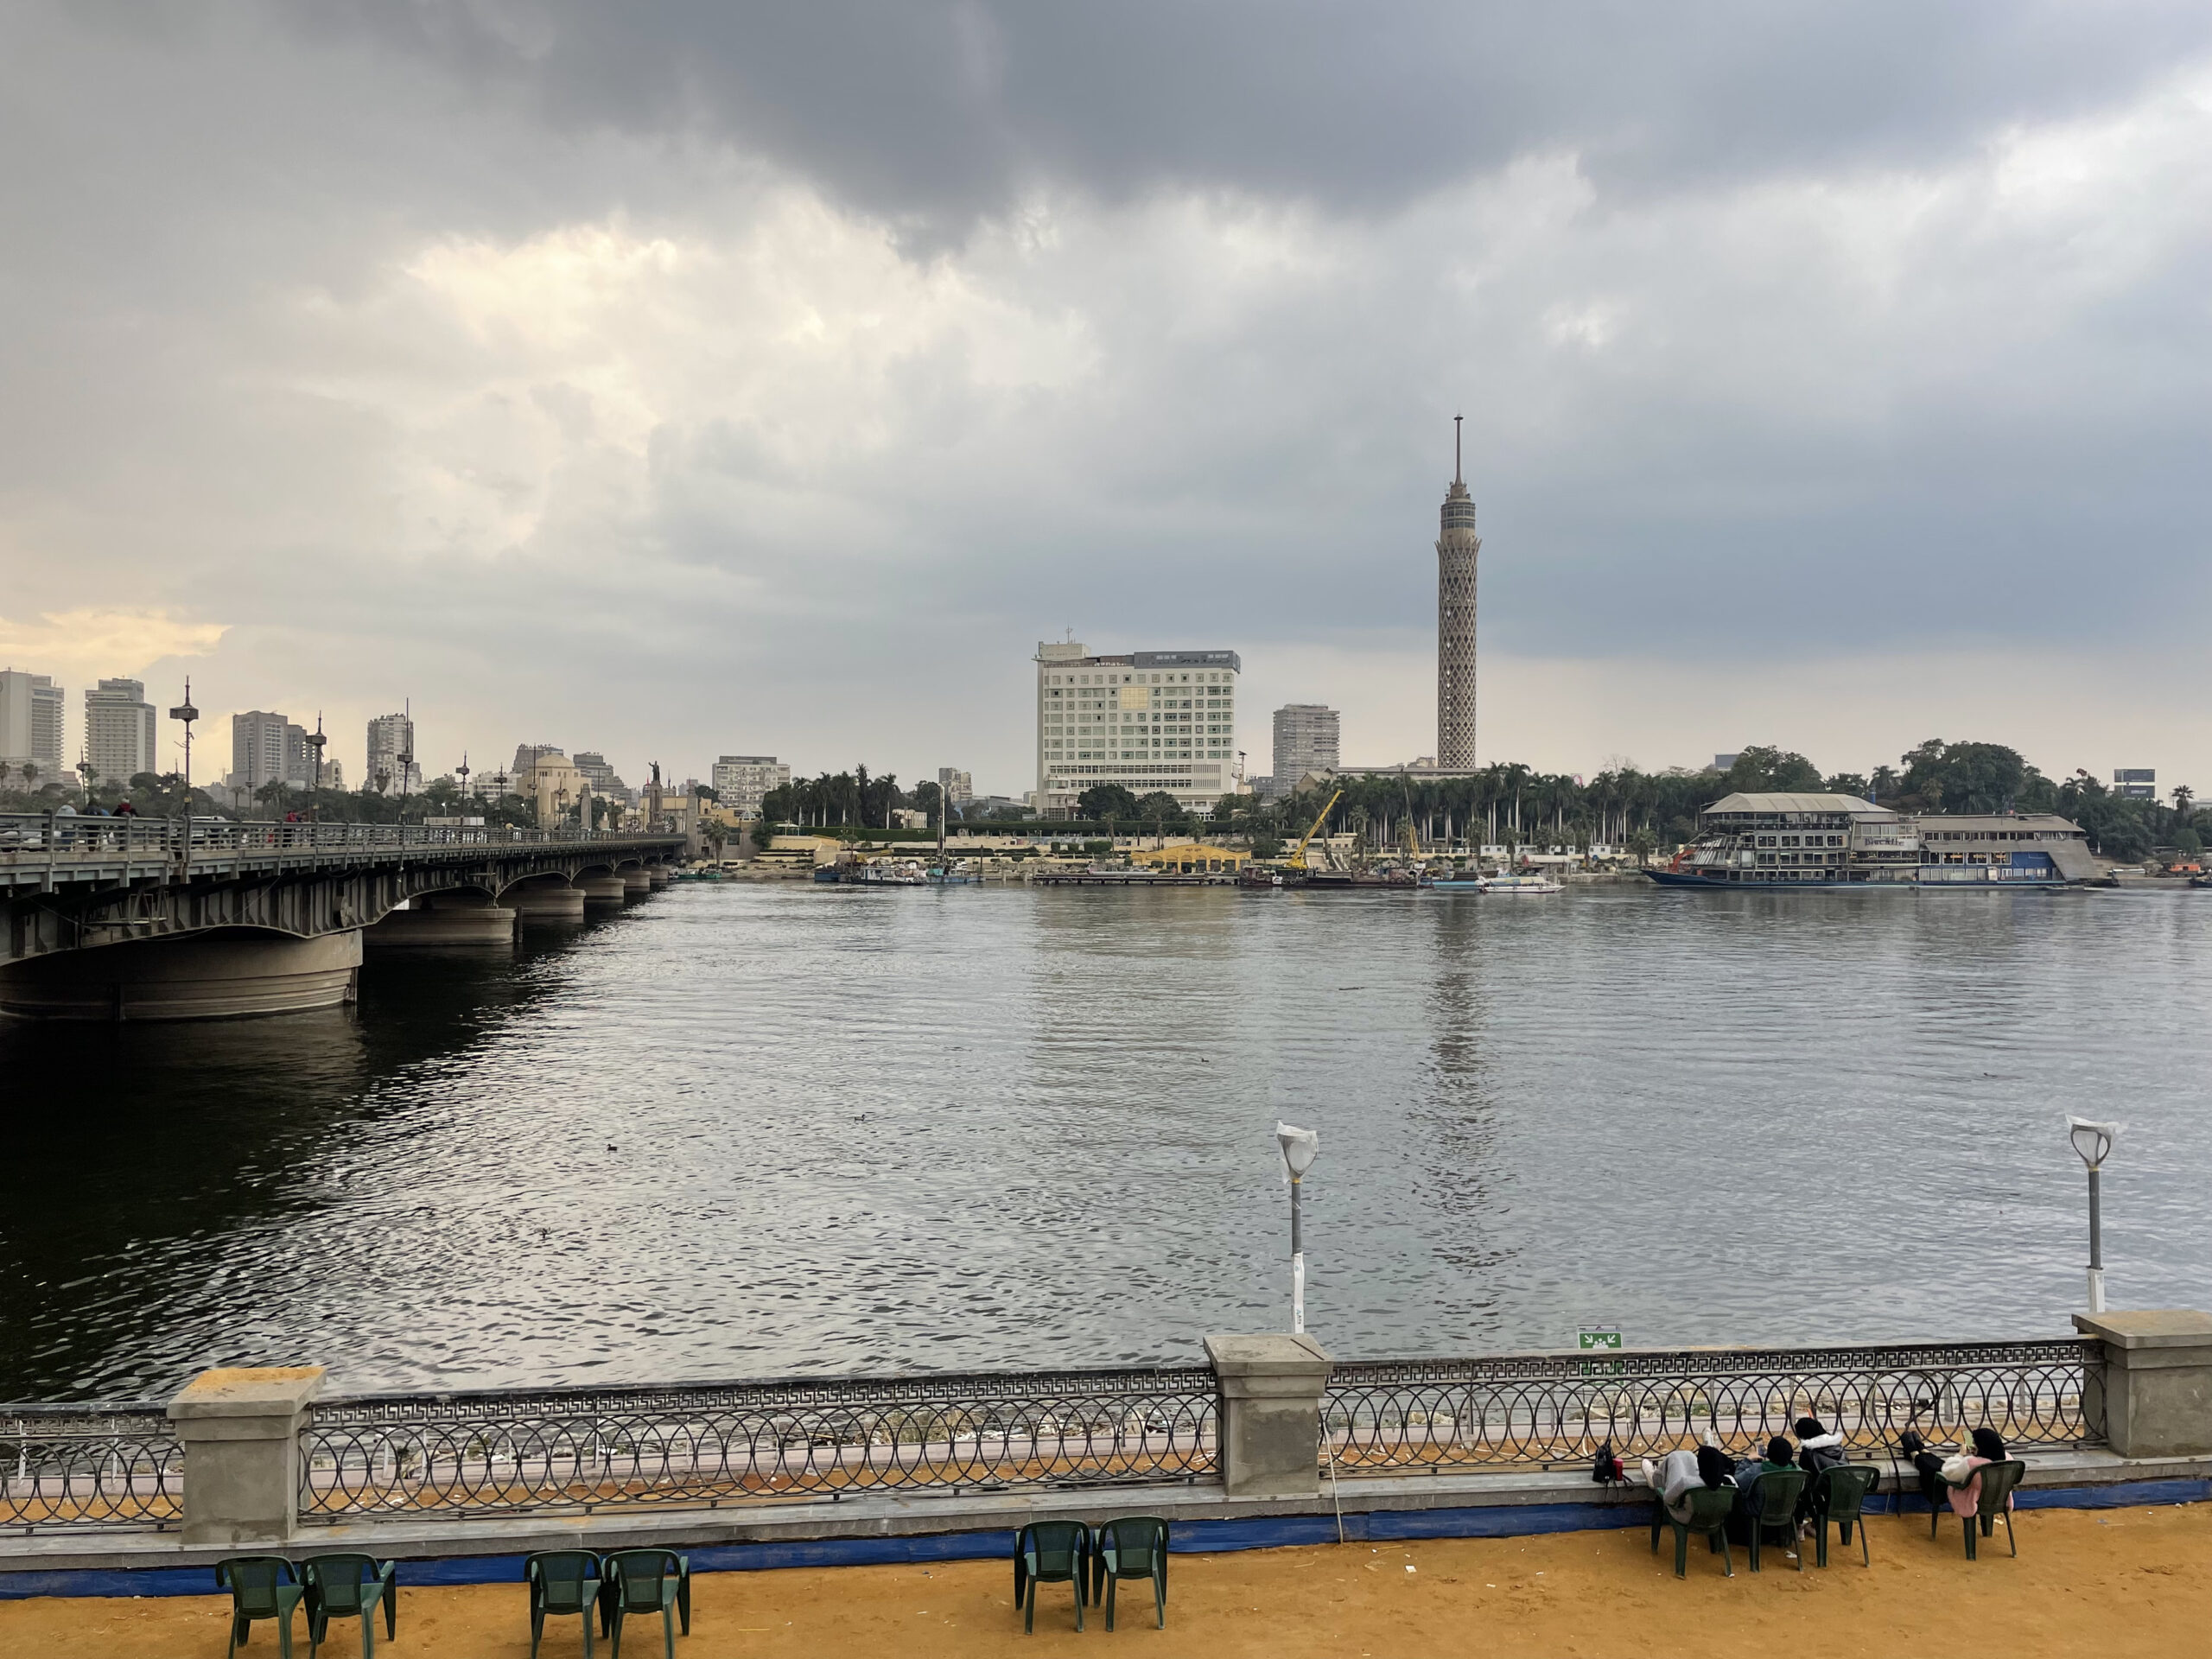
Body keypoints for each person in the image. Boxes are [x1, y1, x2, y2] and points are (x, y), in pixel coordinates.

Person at [1641, 1443, 1736, 1524]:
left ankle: (1654, 1477)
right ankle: (1656, 1475)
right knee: (1687, 1457)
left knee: (1675, 1459)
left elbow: (1668, 1499)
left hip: (1689, 1518)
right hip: (1717, 1519)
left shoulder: (1687, 1483)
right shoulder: (1730, 1482)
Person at [1793, 1416, 1848, 1531]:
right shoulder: (1838, 1448)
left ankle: (1800, 1526)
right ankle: (1814, 1524)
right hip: (1846, 1496)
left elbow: (1803, 1477)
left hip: (1821, 1500)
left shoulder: (1808, 1453)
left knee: (1799, 1487)